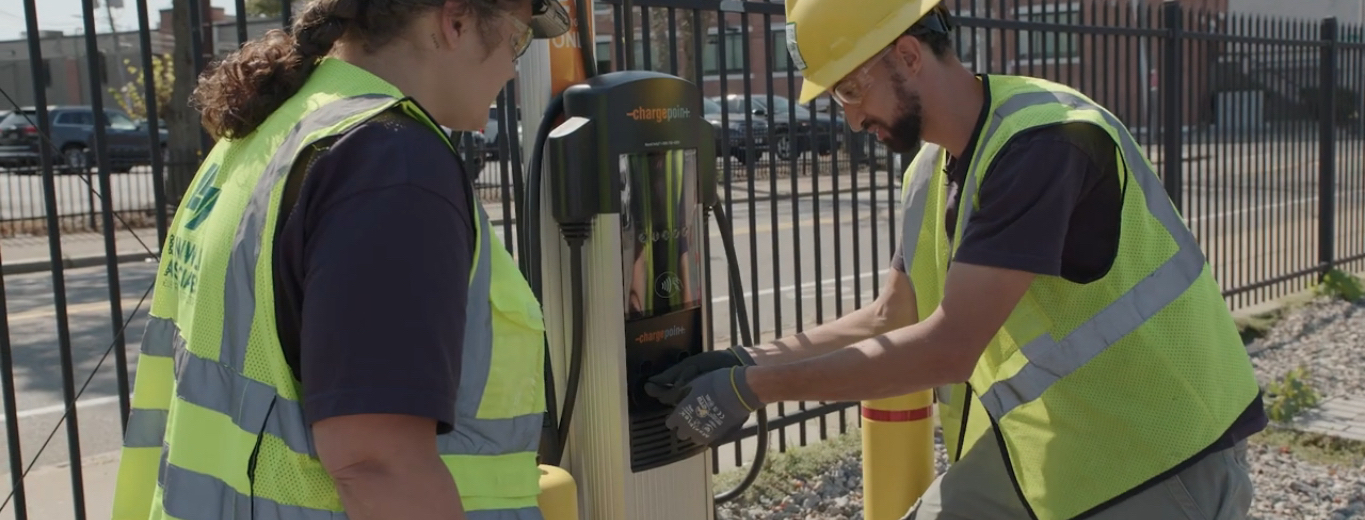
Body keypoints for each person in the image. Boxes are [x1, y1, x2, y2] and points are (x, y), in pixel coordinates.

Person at [644, 0, 1268, 519]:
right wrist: (743, 360)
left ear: (909, 57)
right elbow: (893, 315)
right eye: (839, 97)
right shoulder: (929, 168)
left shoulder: (1046, 141)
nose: (853, 115)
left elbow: (948, 348)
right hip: (1058, 446)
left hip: (1163, 458)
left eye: (853, 88)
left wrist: (754, 390)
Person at [109, 0, 568, 518]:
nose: (513, 66)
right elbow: (377, 464)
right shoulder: (392, 164)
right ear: (455, 21)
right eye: (518, 40)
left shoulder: (277, 127)